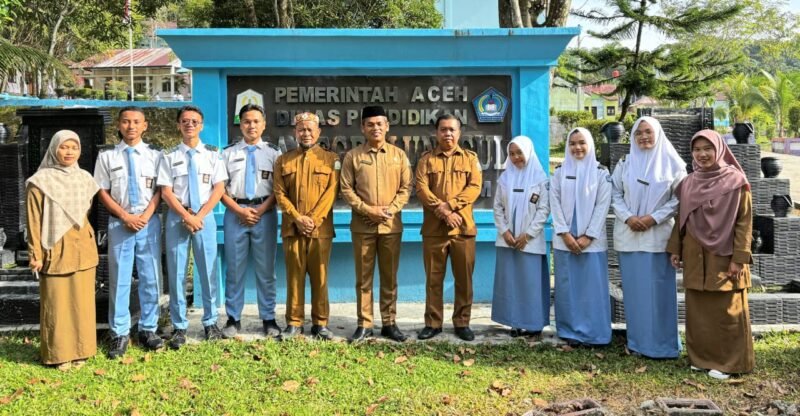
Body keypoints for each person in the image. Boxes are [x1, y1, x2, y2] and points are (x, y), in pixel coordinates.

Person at [667, 129, 755, 380]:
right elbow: (681, 218)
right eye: (697, 149)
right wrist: (676, 248)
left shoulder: (736, 181)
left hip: (725, 254)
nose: (702, 154)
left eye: (708, 148)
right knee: (698, 309)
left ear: (719, 150)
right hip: (695, 252)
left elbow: (744, 222)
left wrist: (739, 258)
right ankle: (702, 358)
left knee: (726, 309)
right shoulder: (689, 183)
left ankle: (730, 363)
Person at [611, 116, 686, 358]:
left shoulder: (673, 165)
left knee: (660, 292)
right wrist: (629, 217)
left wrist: (653, 217)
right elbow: (614, 193)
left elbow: (679, 199)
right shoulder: (625, 162)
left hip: (658, 237)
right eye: (639, 133)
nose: (644, 136)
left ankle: (664, 344)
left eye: (648, 132)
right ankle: (638, 343)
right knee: (635, 294)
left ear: (658, 134)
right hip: (630, 235)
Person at [94, 107, 164, 358]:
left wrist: (144, 216)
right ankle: (119, 333)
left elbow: (160, 190)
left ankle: (148, 329)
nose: (131, 126)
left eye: (136, 122)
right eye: (126, 121)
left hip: (149, 222)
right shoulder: (107, 157)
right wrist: (125, 216)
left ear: (145, 125)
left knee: (150, 277)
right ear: (119, 125)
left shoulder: (156, 155)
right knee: (120, 278)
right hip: (120, 223)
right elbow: (101, 191)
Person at [26, 130, 100, 369]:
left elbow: (86, 214)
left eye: (74, 148)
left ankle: (82, 350)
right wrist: (35, 253)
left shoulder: (85, 178)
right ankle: (59, 353)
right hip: (54, 246)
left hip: (83, 246)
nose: (69, 152)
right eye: (64, 147)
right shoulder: (40, 181)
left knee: (82, 300)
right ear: (54, 149)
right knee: (57, 301)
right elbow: (33, 220)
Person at [157, 105, 228, 349]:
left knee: (208, 271)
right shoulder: (168, 156)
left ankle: (210, 322)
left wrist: (200, 216)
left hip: (204, 217)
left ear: (202, 125)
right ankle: (179, 327)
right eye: (185, 121)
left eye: (194, 121)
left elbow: (219, 188)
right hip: (178, 217)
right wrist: (186, 216)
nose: (190, 125)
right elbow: (166, 191)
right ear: (178, 125)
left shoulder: (213, 154)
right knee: (176, 273)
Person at [339, 105, 412, 343]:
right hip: (363, 226)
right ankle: (364, 323)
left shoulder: (398, 155)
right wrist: (368, 210)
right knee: (364, 278)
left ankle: (389, 322)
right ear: (362, 128)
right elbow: (346, 189)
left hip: (391, 226)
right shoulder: (353, 156)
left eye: (379, 123)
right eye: (370, 124)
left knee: (389, 277)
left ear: (387, 126)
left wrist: (389, 210)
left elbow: (406, 188)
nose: (375, 128)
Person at [415, 114, 482, 341]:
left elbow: (474, 187)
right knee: (434, 279)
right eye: (443, 129)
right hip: (434, 231)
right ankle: (433, 323)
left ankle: (462, 322)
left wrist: (452, 206)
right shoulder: (426, 160)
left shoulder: (470, 159)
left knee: (464, 279)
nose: (448, 134)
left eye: (452, 130)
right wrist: (443, 212)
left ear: (459, 133)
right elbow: (422, 190)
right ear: (437, 133)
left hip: (463, 229)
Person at [273, 112, 339, 340]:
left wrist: (314, 219)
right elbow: (279, 193)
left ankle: (321, 323)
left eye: (311, 129)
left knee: (320, 277)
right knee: (294, 277)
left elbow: (331, 192)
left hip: (320, 231)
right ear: (295, 132)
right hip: (293, 229)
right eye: (301, 129)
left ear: (319, 132)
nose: (306, 133)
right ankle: (294, 322)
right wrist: (297, 217)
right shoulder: (283, 160)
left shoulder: (331, 160)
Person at [219, 104, 282, 339]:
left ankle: (269, 318)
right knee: (234, 269)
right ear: (240, 124)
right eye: (246, 121)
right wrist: (239, 211)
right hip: (235, 213)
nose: (251, 126)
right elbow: (220, 190)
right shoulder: (228, 153)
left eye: (256, 121)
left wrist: (261, 208)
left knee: (266, 270)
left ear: (264, 124)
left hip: (264, 214)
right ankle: (233, 318)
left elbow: (279, 188)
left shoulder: (274, 154)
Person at [551, 128, 612, 346]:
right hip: (564, 239)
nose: (577, 147)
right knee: (567, 287)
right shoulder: (559, 172)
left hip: (591, 242)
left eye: (582, 143)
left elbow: (602, 206)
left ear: (590, 145)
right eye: (573, 143)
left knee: (591, 287)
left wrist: (589, 236)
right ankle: (569, 332)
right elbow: (554, 202)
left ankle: (595, 333)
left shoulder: (601, 173)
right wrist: (565, 234)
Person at [491, 136, 550, 337]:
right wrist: (505, 231)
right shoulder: (505, 178)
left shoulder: (540, 179)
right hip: (507, 241)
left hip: (529, 242)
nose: (516, 157)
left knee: (530, 283)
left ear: (529, 153)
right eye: (512, 153)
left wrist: (529, 234)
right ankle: (513, 322)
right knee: (510, 283)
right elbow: (497, 207)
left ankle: (532, 324)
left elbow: (544, 209)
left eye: (519, 153)